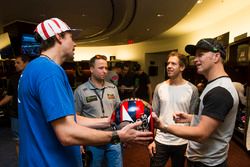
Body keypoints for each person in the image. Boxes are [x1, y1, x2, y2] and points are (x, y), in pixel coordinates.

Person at [18, 18, 153, 167]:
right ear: (59, 37)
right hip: (50, 161)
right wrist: (118, 136)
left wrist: (108, 121)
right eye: (71, 37)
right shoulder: (50, 71)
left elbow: (64, 117)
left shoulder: (32, 68)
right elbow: (66, 133)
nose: (75, 43)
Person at [152, 38, 239, 167]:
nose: (195, 59)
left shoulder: (219, 91)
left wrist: (164, 127)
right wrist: (191, 117)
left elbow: (201, 134)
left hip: (207, 163)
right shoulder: (213, 85)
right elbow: (209, 118)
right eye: (195, 55)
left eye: (201, 55)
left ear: (216, 56)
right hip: (201, 159)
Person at [148, 51, 199, 167]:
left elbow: (193, 119)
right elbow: (153, 116)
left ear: (182, 67)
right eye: (168, 63)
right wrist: (151, 140)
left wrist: (191, 144)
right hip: (161, 140)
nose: (169, 66)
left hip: (182, 141)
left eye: (173, 64)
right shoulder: (159, 87)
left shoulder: (192, 89)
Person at [74, 55, 122, 167]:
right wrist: (79, 142)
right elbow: (75, 117)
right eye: (101, 68)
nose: (105, 71)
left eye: (106, 68)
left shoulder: (113, 88)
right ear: (91, 69)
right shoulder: (80, 91)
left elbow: (118, 112)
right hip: (92, 138)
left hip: (113, 136)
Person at [0, 54, 30, 157]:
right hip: (16, 114)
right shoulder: (13, 78)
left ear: (26, 63)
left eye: (18, 62)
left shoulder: (33, 76)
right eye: (14, 63)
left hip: (30, 114)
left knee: (32, 141)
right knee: (18, 141)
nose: (15, 65)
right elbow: (10, 95)